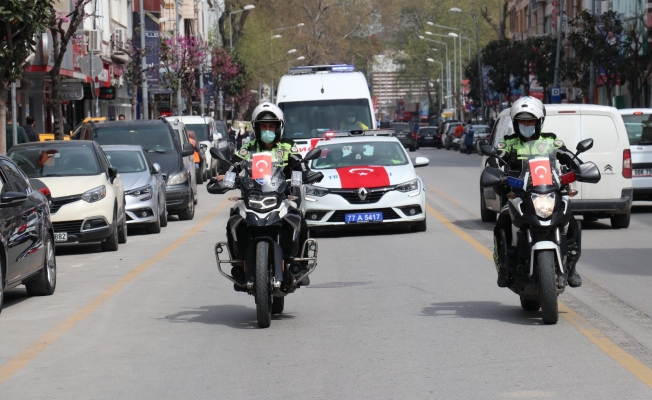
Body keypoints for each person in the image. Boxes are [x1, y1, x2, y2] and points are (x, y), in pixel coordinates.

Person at [212, 102, 313, 285]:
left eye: (271, 126)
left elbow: (300, 164)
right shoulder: (248, 147)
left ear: (278, 127)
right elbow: (233, 165)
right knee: (234, 220)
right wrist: (224, 176)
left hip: (283, 196)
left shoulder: (288, 146)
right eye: (263, 126)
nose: (268, 130)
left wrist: (307, 174)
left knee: (300, 221)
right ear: (257, 128)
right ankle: (239, 264)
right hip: (252, 197)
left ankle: (300, 265)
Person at [491, 96, 583, 288]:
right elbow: (494, 161)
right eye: (522, 121)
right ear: (515, 123)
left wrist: (579, 166)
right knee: (502, 222)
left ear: (539, 122)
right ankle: (504, 267)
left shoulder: (550, 141)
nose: (527, 124)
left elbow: (567, 155)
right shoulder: (508, 143)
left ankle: (572, 267)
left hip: (548, 191)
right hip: (518, 194)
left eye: (530, 121)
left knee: (572, 221)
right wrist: (494, 172)